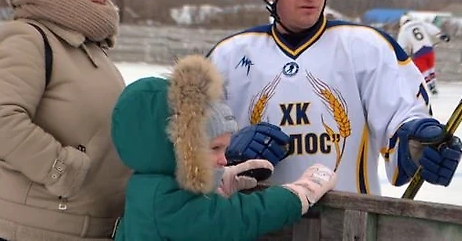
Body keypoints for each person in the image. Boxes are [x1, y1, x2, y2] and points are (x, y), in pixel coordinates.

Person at [208, 0, 462, 196]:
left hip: (349, 228)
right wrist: (229, 148)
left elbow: (403, 118)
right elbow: (183, 150)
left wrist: (422, 141)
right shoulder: (227, 57)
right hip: (253, 229)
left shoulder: (367, 48)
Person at [0, 0, 130, 240]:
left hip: (89, 225)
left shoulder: (90, 46)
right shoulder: (26, 39)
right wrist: (62, 170)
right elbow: (0, 123)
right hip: (38, 227)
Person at [110, 54, 338, 241]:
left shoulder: (151, 185)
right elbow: (240, 217)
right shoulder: (165, 203)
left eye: (224, 149)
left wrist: (215, 185)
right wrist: (297, 195)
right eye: (214, 148)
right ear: (178, 144)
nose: (224, 160)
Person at [397, 14, 451, 95]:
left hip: (418, 52)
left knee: (424, 70)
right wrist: (441, 36)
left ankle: (430, 86)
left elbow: (401, 45)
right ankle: (434, 84)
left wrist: (402, 54)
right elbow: (431, 29)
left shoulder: (404, 29)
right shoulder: (419, 23)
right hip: (429, 49)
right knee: (430, 68)